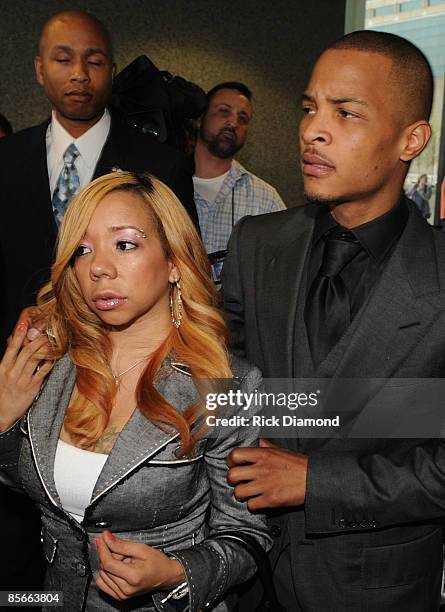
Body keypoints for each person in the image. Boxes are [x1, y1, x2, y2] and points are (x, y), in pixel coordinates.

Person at [222, 31, 445, 611]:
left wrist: (316, 482)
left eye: (346, 113)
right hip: (246, 570)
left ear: (412, 138)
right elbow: (222, 379)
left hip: (378, 588)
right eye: (309, 108)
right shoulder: (257, 243)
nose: (312, 130)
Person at [0, 171, 271, 611]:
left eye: (125, 244)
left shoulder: (227, 385)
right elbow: (24, 484)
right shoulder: (50, 362)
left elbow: (247, 533)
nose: (98, 268)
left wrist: (177, 572)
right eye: (83, 250)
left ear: (174, 263)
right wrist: (3, 420)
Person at [0, 9, 199, 355]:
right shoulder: (6, 159)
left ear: (112, 71)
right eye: (63, 59)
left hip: (126, 367)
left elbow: (187, 274)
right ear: (39, 69)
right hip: (17, 367)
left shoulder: (162, 165)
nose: (79, 74)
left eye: (93, 61)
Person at [193, 82, 285, 281]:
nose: (233, 123)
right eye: (224, 111)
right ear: (200, 119)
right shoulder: (167, 183)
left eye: (243, 119)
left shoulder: (265, 199)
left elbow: (281, 271)